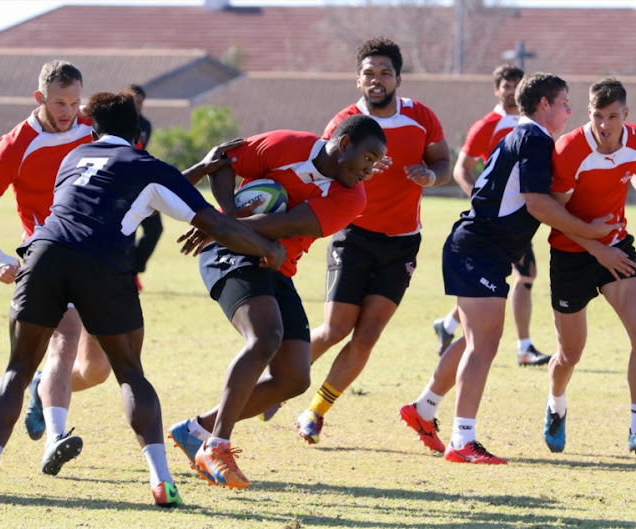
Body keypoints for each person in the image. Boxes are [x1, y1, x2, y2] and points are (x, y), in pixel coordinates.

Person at [0, 91, 286, 506]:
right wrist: (268, 249)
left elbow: (137, 196)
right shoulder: (146, 165)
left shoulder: (73, 159)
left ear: (92, 128)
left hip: (42, 254)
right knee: (130, 373)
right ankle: (161, 483)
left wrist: (192, 172)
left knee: (18, 368)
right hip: (101, 262)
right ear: (138, 133)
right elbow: (213, 222)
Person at [400, 73, 619, 464]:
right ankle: (462, 440)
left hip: (479, 248)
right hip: (478, 249)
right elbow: (537, 204)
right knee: (483, 342)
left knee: (473, 340)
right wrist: (588, 230)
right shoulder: (534, 137)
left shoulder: (526, 136)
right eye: (565, 102)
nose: (570, 110)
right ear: (544, 104)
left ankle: (424, 409)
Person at [168, 114, 388, 489]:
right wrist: (226, 218)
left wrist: (221, 224)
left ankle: (196, 430)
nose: (370, 170)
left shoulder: (352, 197)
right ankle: (215, 446)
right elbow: (221, 160)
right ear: (344, 144)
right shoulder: (289, 144)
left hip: (275, 262)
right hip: (231, 252)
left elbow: (289, 225)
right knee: (264, 339)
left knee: (293, 378)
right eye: (368, 158)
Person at [287, 37, 451, 446]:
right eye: (368, 74)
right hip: (353, 235)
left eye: (384, 73)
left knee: (368, 334)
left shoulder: (421, 117)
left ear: (398, 78)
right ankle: (276, 383)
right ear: (357, 78)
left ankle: (315, 412)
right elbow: (323, 176)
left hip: (402, 243)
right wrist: (354, 174)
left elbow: (444, 163)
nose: (375, 80)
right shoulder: (343, 123)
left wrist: (430, 177)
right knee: (335, 328)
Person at [0, 60, 112, 475]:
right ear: (40, 99)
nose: (68, 111)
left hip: (96, 254)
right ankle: (55, 438)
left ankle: (41, 386)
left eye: (74, 102)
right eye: (59, 103)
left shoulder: (93, 126)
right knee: (65, 335)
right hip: (44, 251)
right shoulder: (16, 143)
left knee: (97, 369)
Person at [543, 78, 636, 460]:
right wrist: (597, 250)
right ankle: (556, 405)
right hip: (571, 252)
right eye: (599, 116)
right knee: (570, 354)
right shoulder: (569, 150)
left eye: (613, 116)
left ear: (625, 115)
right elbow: (556, 216)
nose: (605, 125)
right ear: (589, 114)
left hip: (616, 246)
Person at [433, 64, 549, 367]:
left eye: (516, 84)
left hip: (517, 218)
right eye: (505, 85)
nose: (511, 90)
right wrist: (484, 202)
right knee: (521, 275)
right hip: (494, 221)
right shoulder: (487, 124)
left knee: (507, 278)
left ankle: (447, 326)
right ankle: (524, 347)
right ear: (496, 89)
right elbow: (462, 168)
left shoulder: (536, 124)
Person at [123, 83, 163, 290]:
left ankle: (135, 269)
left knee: (155, 229)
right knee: (129, 230)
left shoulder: (145, 124)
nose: (137, 107)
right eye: (133, 102)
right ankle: (128, 274)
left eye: (140, 103)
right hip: (121, 183)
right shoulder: (115, 121)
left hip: (142, 181)